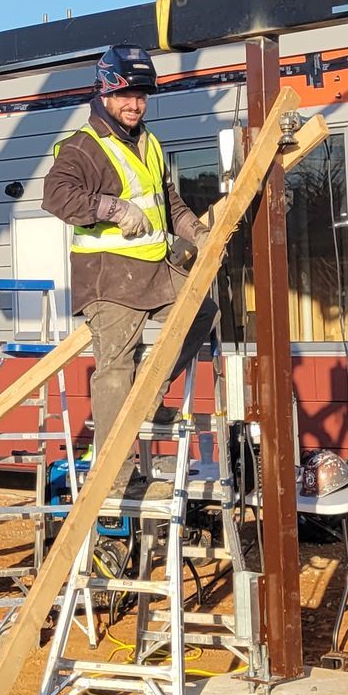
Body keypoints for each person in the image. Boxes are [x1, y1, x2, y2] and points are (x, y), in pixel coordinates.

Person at [42, 45, 212, 439]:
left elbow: (167, 202)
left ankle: (149, 398)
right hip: (109, 278)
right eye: (125, 96)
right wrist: (112, 209)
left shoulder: (148, 142)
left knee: (204, 313)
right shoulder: (83, 146)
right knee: (115, 370)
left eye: (140, 96)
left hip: (153, 271)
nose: (135, 105)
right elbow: (56, 196)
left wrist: (197, 231)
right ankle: (117, 482)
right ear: (104, 95)